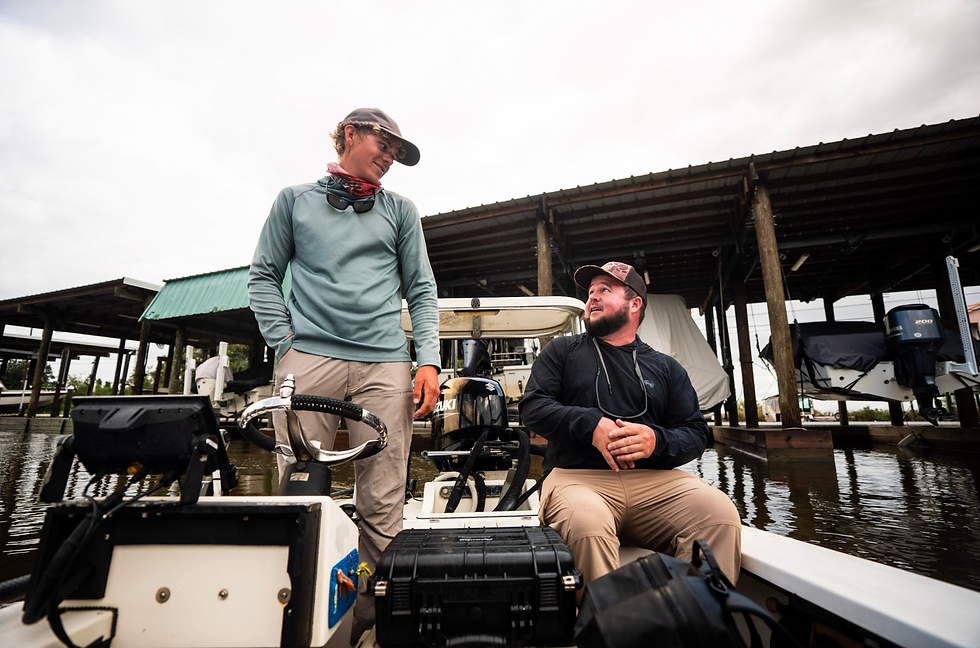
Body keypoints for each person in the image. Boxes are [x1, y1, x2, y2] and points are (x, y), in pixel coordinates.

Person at [247, 107, 440, 640]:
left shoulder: (401, 210)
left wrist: (427, 360)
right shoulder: (294, 201)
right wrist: (285, 346)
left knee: (382, 500)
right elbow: (262, 276)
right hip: (309, 358)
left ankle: (373, 625)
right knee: (301, 489)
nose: (390, 156)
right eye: (384, 143)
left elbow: (421, 289)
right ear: (349, 134)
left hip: (385, 363)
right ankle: (295, 613)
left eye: (397, 152)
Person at [519, 261, 741, 596]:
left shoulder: (667, 367)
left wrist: (656, 441)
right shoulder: (561, 351)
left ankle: (693, 622)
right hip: (577, 478)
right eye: (590, 292)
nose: (591, 298)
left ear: (634, 303)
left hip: (655, 483)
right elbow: (532, 407)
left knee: (719, 514)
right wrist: (591, 424)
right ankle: (608, 632)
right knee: (587, 524)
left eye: (604, 291)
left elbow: (696, 433)